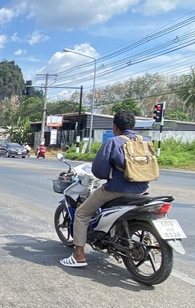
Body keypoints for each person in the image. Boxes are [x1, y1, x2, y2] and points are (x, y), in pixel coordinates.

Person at [60, 111, 151, 268]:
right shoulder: (145, 141)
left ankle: (79, 255)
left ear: (115, 127)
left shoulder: (113, 142)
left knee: (82, 214)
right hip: (141, 190)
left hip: (116, 190)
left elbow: (98, 171)